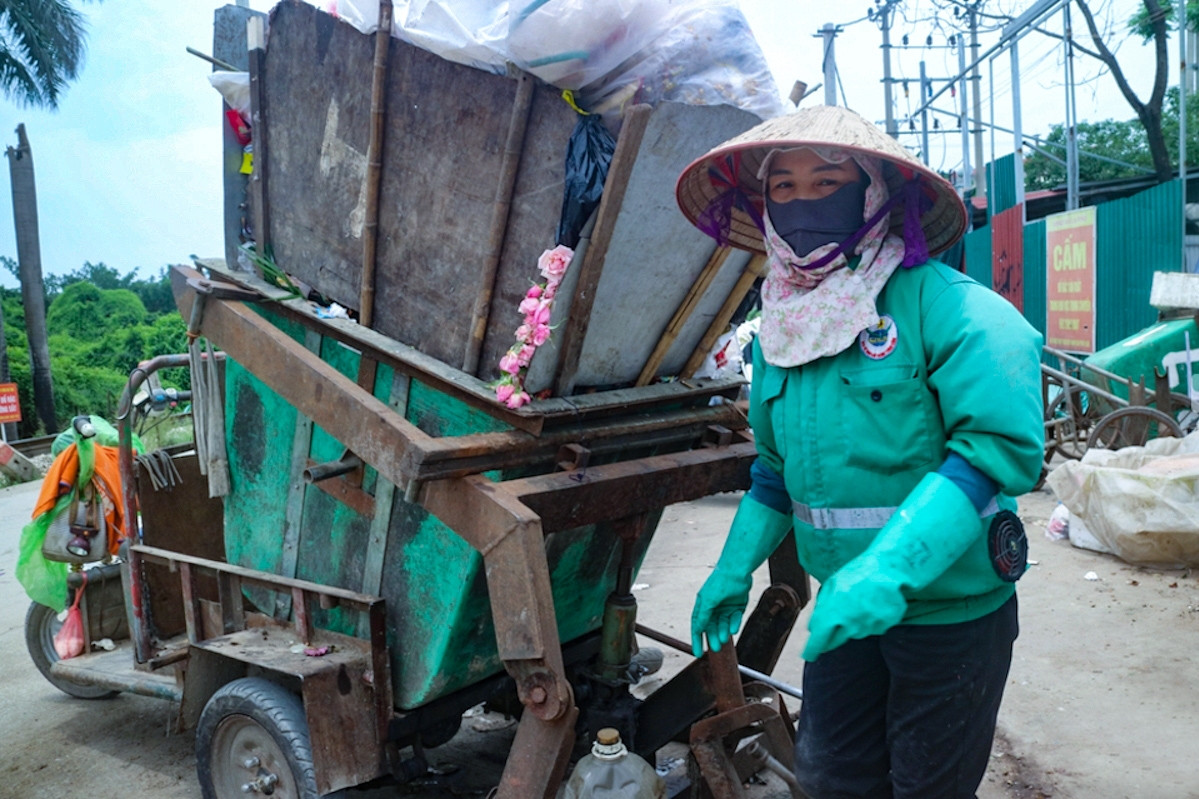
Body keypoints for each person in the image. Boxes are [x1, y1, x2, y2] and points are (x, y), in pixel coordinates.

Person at [675, 105, 1044, 798]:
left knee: (926, 787)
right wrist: (731, 569)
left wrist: (886, 571)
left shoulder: (950, 309)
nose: (802, 200)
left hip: (948, 614)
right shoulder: (781, 331)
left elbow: (991, 450)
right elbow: (774, 473)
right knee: (830, 779)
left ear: (875, 193)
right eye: (782, 187)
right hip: (843, 615)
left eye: (826, 181)